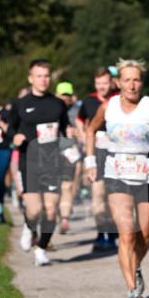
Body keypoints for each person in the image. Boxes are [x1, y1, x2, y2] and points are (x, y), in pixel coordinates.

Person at [85, 59, 149, 298]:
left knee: (143, 235)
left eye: (136, 79)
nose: (132, 84)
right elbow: (90, 130)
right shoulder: (108, 107)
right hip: (116, 173)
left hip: (147, 174)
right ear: (118, 83)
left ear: (142, 82)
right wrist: (90, 161)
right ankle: (133, 291)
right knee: (126, 233)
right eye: (127, 80)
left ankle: (135, 266)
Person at [9, 59, 69, 265]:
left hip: (52, 163)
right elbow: (10, 130)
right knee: (34, 210)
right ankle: (29, 226)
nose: (43, 80)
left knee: (51, 209)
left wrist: (70, 140)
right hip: (30, 162)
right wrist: (14, 139)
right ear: (30, 78)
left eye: (46, 76)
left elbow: (65, 130)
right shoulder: (21, 104)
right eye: (39, 76)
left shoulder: (58, 104)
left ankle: (41, 249)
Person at [76, 67, 117, 252]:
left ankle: (113, 233)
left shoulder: (119, 99)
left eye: (105, 83)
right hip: (97, 151)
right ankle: (102, 234)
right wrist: (83, 135)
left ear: (112, 82)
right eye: (99, 83)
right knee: (98, 193)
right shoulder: (89, 101)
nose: (102, 87)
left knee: (114, 196)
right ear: (95, 84)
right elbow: (79, 119)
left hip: (117, 152)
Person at [55, 81, 81, 234]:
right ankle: (57, 217)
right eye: (63, 94)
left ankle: (64, 219)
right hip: (50, 154)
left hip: (69, 152)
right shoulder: (49, 109)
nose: (65, 98)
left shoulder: (77, 112)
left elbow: (84, 131)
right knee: (54, 189)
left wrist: (75, 133)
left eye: (68, 95)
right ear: (57, 94)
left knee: (67, 186)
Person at [0, 90, 14, 224]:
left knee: (0, 179)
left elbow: (12, 132)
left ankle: (0, 209)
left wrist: (1, 123)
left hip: (3, 150)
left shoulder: (6, 113)